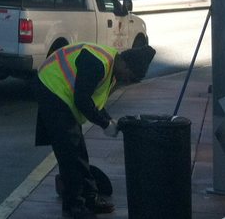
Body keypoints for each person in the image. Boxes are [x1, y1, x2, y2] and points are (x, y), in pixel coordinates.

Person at [34, 42, 157, 218]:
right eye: (129, 76)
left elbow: (94, 102)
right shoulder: (98, 64)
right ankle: (74, 206)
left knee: (77, 149)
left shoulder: (111, 70)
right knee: (69, 150)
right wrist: (104, 124)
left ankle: (89, 198)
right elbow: (82, 100)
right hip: (51, 86)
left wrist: (108, 120)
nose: (127, 81)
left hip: (59, 90)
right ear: (124, 63)